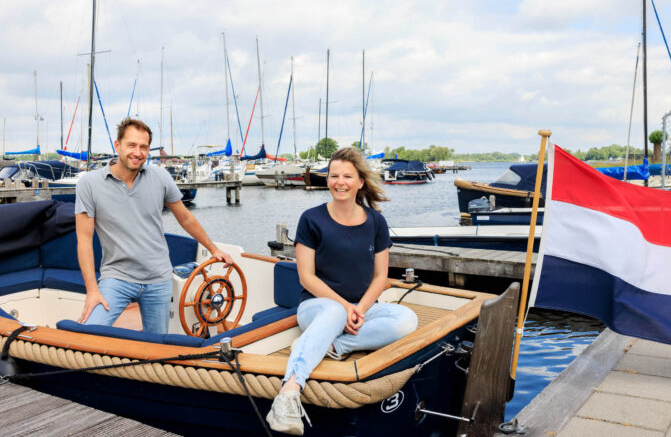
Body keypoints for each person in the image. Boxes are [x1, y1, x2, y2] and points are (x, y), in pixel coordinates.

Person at [266, 147, 418, 435]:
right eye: (334, 175)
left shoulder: (376, 221)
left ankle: (332, 346)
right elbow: (307, 277)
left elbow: (380, 277)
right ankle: (288, 393)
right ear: (327, 180)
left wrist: (358, 309)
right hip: (317, 306)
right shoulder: (312, 219)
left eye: (348, 176)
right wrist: (345, 308)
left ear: (360, 181)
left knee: (406, 319)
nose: (340, 181)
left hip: (361, 307)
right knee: (335, 311)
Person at [75, 117, 233, 334]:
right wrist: (92, 290)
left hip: (158, 279)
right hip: (117, 276)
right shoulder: (89, 183)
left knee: (156, 349)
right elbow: (84, 239)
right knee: (88, 334)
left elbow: (185, 218)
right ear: (117, 145)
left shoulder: (160, 177)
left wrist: (214, 249)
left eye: (144, 147)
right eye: (131, 145)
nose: (138, 152)